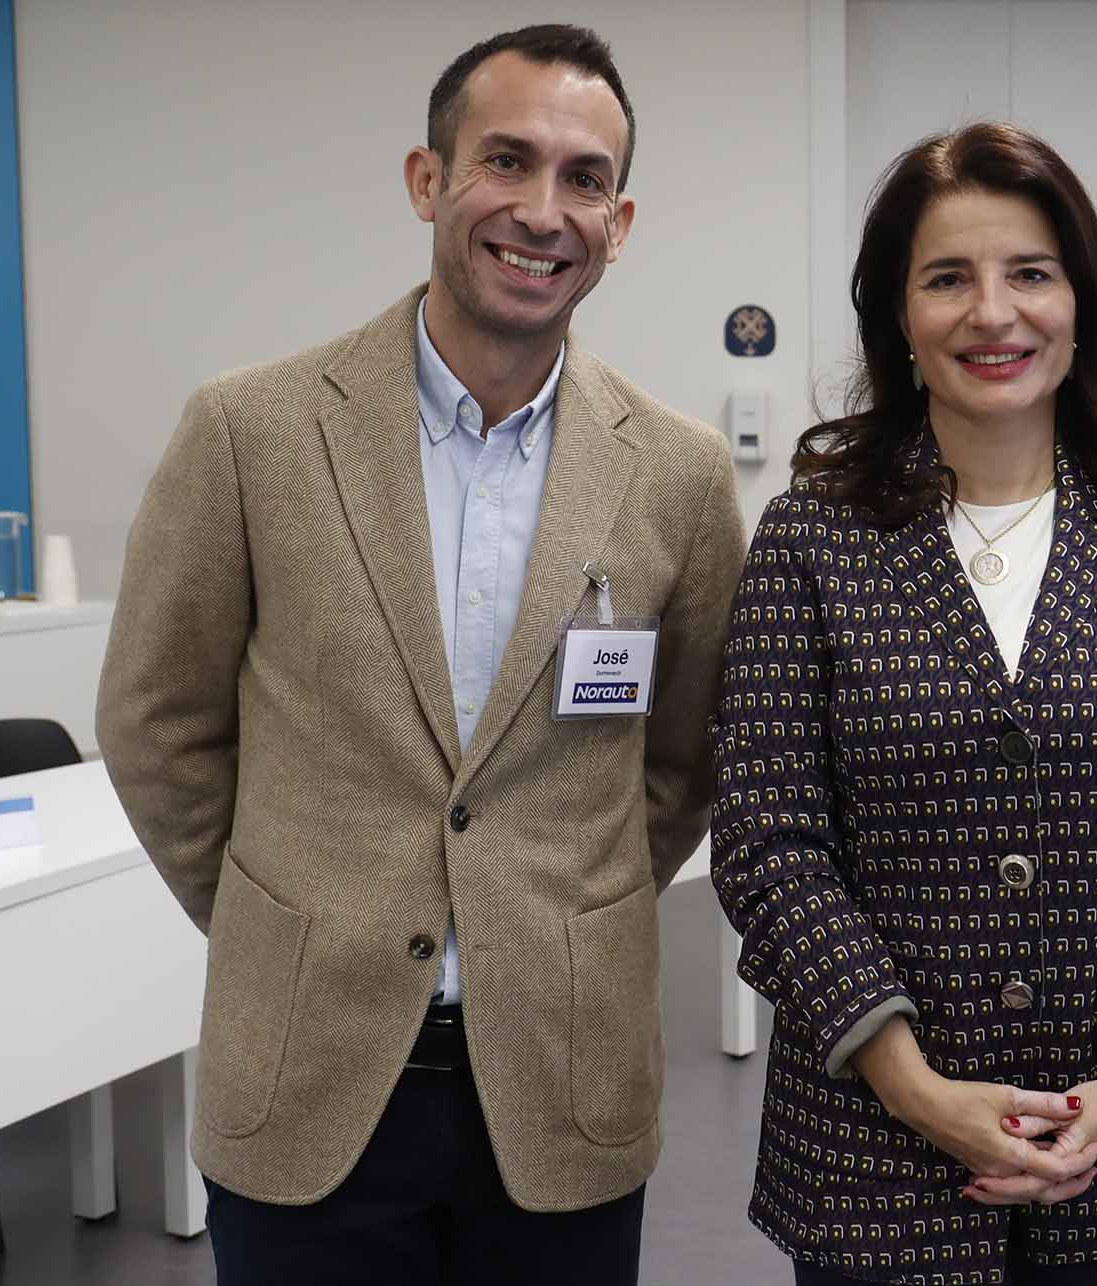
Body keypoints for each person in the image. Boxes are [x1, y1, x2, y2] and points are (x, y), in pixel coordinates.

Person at [95, 25, 744, 1285]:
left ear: (619, 221)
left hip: (561, 1074)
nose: (542, 211)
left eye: (583, 178)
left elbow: (682, 758)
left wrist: (557, 907)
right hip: (308, 1069)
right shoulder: (251, 431)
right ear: (427, 179)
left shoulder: (677, 474)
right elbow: (157, 720)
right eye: (506, 160)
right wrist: (282, 915)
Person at [710, 122, 1097, 1284]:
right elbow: (768, 838)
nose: (992, 312)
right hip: (873, 1148)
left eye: (1029, 272)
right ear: (899, 320)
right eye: (947, 278)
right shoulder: (811, 537)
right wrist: (912, 1085)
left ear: (1081, 302)